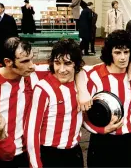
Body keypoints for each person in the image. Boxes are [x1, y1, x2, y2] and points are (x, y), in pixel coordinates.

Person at [0, 38, 49, 168]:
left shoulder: (34, 74)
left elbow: (77, 68)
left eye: (32, 59)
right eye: (25, 61)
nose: (32, 65)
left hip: (22, 153)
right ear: (8, 62)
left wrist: (82, 89)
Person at [83, 30, 131, 167]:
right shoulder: (94, 76)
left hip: (129, 140)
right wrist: (101, 130)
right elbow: (82, 113)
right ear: (109, 53)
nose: (123, 57)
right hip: (102, 142)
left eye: (126, 52)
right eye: (117, 52)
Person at [24, 39, 85, 168]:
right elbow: (31, 131)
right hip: (50, 154)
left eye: (67, 63)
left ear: (76, 64)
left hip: (75, 152)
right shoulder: (43, 89)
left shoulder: (81, 82)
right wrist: (35, 165)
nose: (62, 70)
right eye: (57, 63)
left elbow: (106, 66)